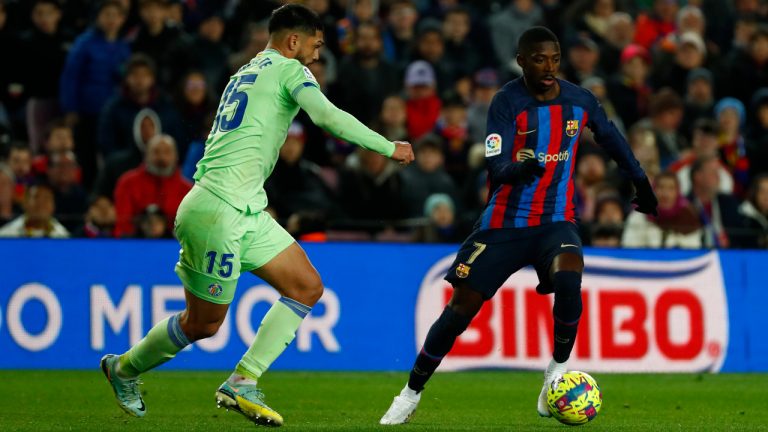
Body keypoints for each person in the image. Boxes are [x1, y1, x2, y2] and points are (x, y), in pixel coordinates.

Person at [100, 4, 414, 427]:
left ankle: (243, 380)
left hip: (245, 207)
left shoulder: (244, 72)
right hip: (217, 210)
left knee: (306, 286)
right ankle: (123, 369)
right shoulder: (289, 70)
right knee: (202, 324)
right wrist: (387, 146)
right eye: (315, 46)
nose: (317, 58)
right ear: (293, 41)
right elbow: (326, 116)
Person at [380, 27, 657, 425]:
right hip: (503, 224)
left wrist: (642, 183)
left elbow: (612, 138)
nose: (549, 67)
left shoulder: (579, 101)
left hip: (556, 221)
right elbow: (496, 165)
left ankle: (555, 373)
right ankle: (409, 393)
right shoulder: (507, 102)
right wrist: (520, 167)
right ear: (522, 61)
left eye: (555, 58)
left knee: (569, 279)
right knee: (460, 311)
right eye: (540, 59)